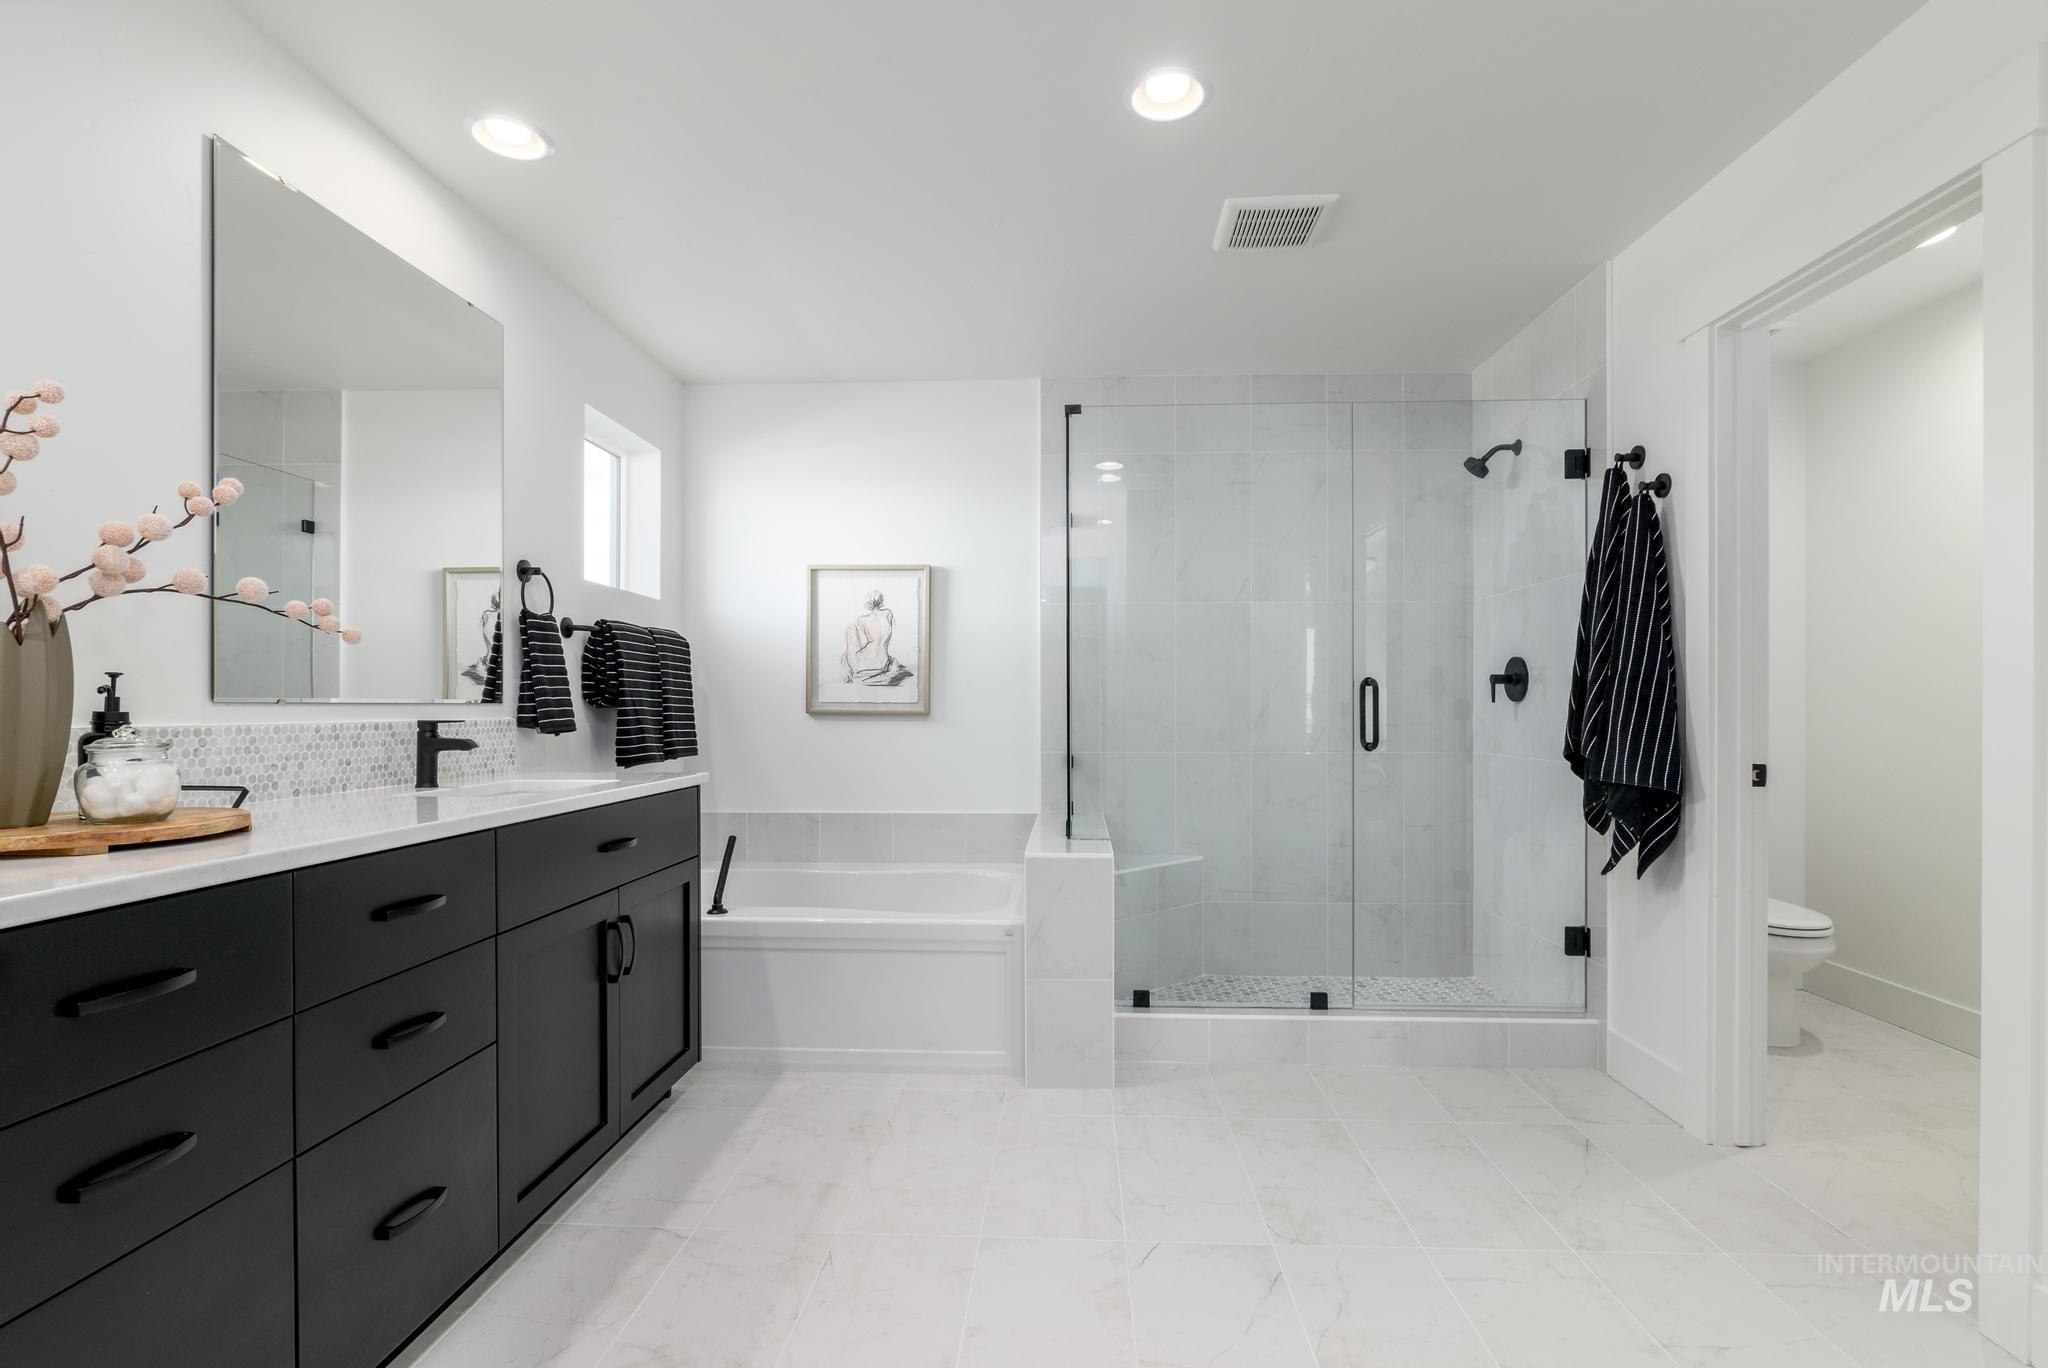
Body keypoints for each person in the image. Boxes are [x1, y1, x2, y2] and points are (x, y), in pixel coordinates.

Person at [840, 590, 912, 686]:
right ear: (881, 600)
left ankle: (849, 673)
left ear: (868, 603)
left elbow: (862, 644)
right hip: (882, 662)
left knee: (850, 630)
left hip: (864, 665)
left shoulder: (862, 620)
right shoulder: (888, 614)